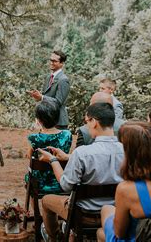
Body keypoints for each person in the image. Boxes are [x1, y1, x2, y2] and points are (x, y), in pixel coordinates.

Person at [37, 103, 124, 241]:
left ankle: (54, 238)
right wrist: (66, 157)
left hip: (84, 215)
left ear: (94, 122)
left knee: (46, 200)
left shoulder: (82, 153)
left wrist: (53, 160)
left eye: (87, 121)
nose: (87, 126)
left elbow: (66, 185)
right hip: (115, 213)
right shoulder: (127, 150)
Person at [97, 122, 151, 242]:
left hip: (141, 238)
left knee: (106, 211)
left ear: (131, 154)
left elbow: (119, 233)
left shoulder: (127, 189)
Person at [26, 99, 72, 194]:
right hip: (60, 179)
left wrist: (39, 131)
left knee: (29, 178)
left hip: (39, 183)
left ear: (39, 120)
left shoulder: (34, 138)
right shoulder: (67, 135)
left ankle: (35, 208)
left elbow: (30, 157)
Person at [29, 50, 70, 129]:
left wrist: (41, 97)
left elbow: (58, 102)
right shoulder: (49, 77)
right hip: (47, 119)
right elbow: (46, 96)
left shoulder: (64, 80)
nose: (51, 63)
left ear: (62, 63)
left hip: (58, 121)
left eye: (54, 61)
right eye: (51, 60)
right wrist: (37, 96)